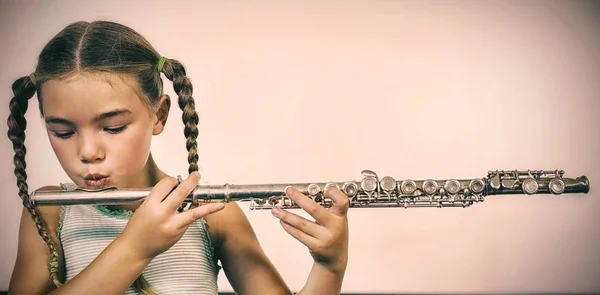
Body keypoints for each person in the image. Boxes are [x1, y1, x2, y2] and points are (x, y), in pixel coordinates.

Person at [7, 20, 349, 295]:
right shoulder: (50, 212)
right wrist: (134, 247)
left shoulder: (215, 216)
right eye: (63, 133)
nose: (87, 153)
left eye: (113, 127)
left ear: (159, 116)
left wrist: (329, 267)